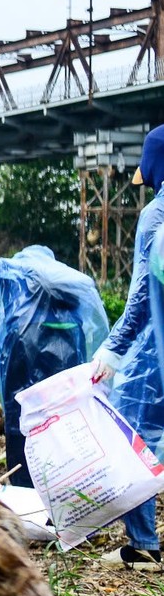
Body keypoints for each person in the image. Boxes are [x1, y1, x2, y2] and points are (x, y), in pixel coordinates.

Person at [0, 245, 108, 507]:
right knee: (64, 417)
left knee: (21, 418)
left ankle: (26, 493)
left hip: (24, 344)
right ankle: (64, 491)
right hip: (68, 343)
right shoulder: (65, 283)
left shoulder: (17, 269)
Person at [93, 126, 164, 567]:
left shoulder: (156, 217)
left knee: (133, 433)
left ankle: (143, 545)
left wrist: (113, 349)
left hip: (155, 355)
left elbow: (140, 298)